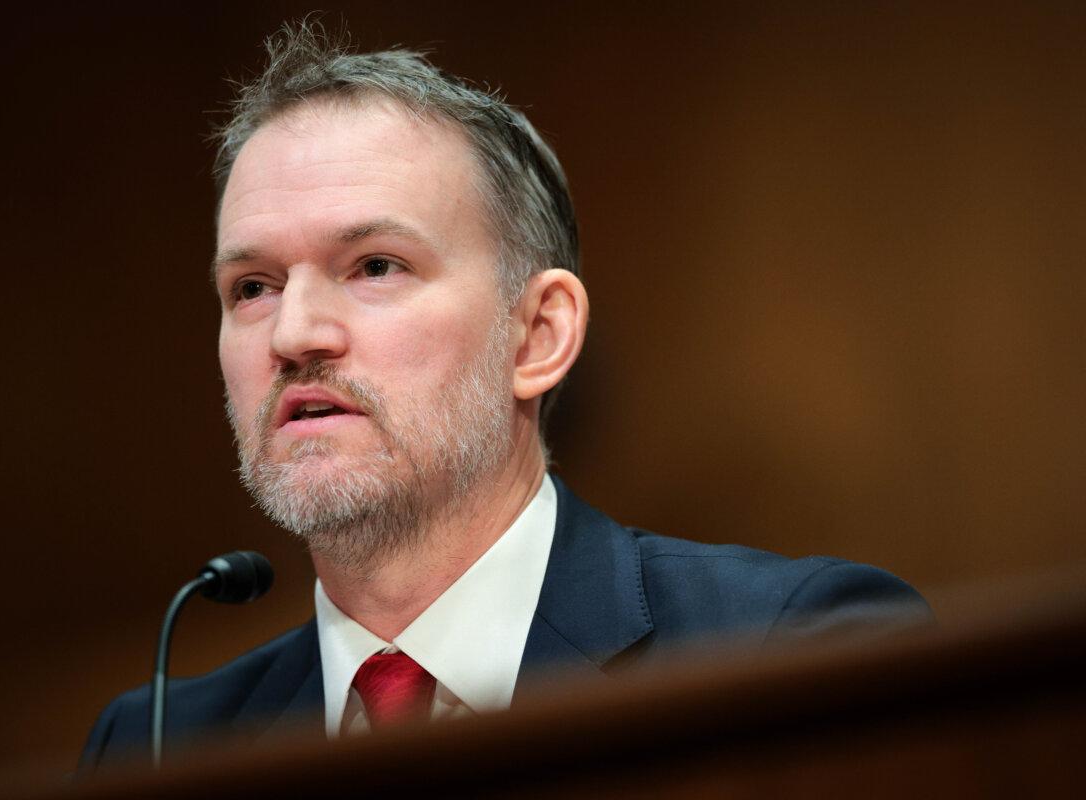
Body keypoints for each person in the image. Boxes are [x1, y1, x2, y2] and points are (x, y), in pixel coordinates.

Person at [81, 21, 929, 768]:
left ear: (538, 335)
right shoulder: (157, 746)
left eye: (375, 266)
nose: (294, 333)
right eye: (253, 286)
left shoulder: (788, 654)